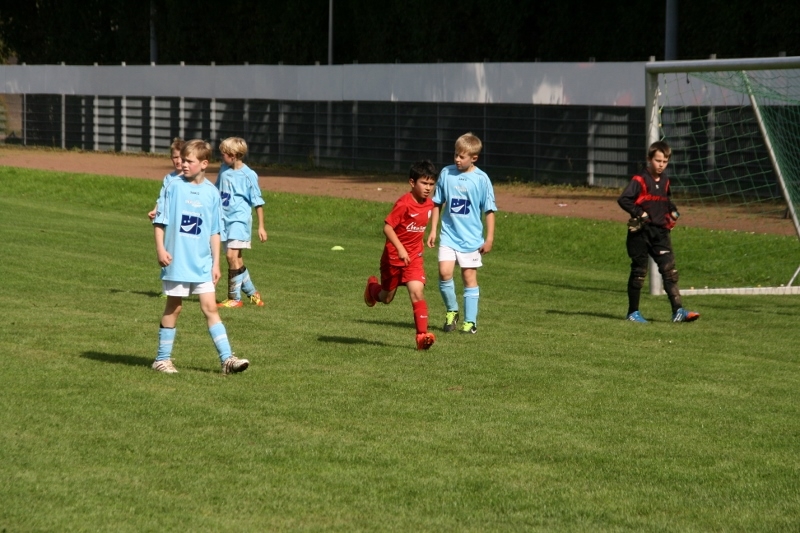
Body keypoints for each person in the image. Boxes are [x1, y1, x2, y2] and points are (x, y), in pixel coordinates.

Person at [151, 139, 249, 374]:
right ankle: (161, 360)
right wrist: (160, 249)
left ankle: (227, 360)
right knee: (174, 307)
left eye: (189, 161)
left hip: (202, 262)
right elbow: (160, 221)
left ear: (204, 164)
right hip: (177, 260)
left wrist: (216, 263)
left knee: (210, 308)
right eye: (182, 160)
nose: (183, 164)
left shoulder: (212, 193)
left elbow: (215, 231)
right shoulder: (173, 186)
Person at [617, 140, 699, 323]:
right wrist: (640, 213)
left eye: (665, 161)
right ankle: (633, 313)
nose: (661, 165)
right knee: (639, 272)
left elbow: (665, 200)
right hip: (640, 232)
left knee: (670, 271)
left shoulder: (665, 180)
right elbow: (624, 199)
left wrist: (673, 211)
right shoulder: (640, 179)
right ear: (649, 159)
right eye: (658, 161)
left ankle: (678, 311)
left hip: (660, 233)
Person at [426, 133, 496, 334]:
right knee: (444, 272)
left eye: (462, 156)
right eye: (456, 154)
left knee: (468, 277)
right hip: (449, 235)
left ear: (474, 158)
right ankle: (452, 311)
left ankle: (470, 322)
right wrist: (433, 230)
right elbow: (437, 203)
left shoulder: (482, 179)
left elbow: (489, 211)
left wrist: (489, 238)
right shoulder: (446, 173)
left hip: (471, 239)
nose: (457, 159)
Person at [364, 160, 438, 350]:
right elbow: (387, 228)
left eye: (431, 184)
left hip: (414, 258)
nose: (428, 188)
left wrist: (433, 231)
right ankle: (372, 289)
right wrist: (400, 248)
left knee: (417, 292)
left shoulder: (428, 203)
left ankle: (421, 337)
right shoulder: (404, 204)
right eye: (424, 183)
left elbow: (434, 208)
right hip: (393, 258)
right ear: (412, 182)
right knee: (386, 297)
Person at [214, 137, 268, 308]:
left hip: (239, 220)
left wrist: (261, 227)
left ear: (234, 155)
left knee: (230, 256)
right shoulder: (223, 169)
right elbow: (216, 191)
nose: (221, 156)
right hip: (224, 220)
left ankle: (234, 298)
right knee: (237, 260)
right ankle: (252, 293)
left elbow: (257, 201)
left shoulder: (249, 175)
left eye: (224, 153)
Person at [147, 137, 185, 221]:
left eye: (181, 157)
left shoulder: (190, 178)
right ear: (171, 158)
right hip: (170, 218)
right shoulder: (168, 178)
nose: (178, 161)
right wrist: (155, 210)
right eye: (175, 157)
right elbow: (162, 197)